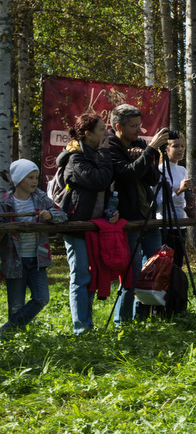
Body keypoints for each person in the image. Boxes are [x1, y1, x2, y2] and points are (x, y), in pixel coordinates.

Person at [55, 113, 118, 334]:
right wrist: (104, 153)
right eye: (102, 129)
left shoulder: (98, 154)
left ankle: (86, 324)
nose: (106, 133)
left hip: (97, 226)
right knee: (81, 275)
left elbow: (109, 186)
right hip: (76, 225)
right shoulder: (76, 158)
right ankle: (81, 328)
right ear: (88, 134)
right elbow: (100, 181)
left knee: (91, 275)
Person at [108, 104, 169, 325]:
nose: (139, 131)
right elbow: (128, 176)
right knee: (131, 273)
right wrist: (149, 152)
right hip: (127, 217)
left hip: (148, 215)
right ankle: (121, 322)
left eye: (139, 125)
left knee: (154, 268)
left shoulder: (141, 144)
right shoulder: (110, 148)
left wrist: (144, 155)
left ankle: (142, 317)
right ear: (118, 127)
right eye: (134, 126)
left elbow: (153, 179)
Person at [0, 160, 67, 334]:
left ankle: (6, 331)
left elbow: (62, 214)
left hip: (38, 259)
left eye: (36, 177)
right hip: (14, 260)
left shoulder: (40, 197)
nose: (34, 181)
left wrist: (50, 215)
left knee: (42, 298)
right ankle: (14, 341)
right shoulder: (4, 202)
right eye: (30, 177)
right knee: (15, 305)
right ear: (19, 179)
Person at [155, 133, 196, 253]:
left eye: (182, 146)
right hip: (164, 226)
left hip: (181, 223)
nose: (180, 149)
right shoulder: (159, 171)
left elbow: (182, 202)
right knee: (165, 267)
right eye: (175, 146)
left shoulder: (182, 170)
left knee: (178, 265)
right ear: (166, 149)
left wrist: (192, 196)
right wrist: (179, 190)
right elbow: (158, 207)